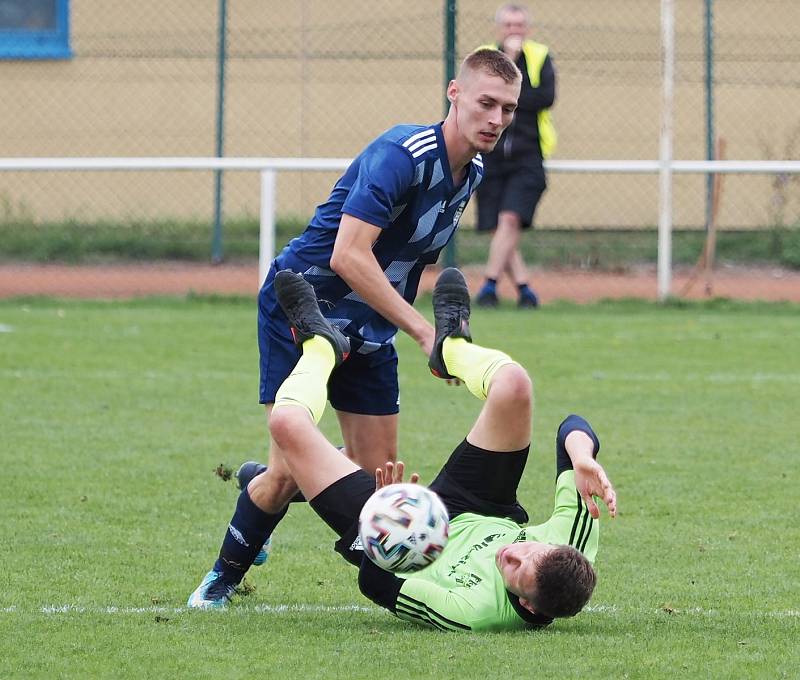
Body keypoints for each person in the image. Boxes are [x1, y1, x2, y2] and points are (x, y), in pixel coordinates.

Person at [188, 49, 523, 607]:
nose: (497, 119)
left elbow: (409, 259)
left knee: (370, 485)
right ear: (454, 93)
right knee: (287, 472)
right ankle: (219, 582)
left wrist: (433, 333)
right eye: (486, 103)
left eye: (508, 109)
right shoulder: (402, 153)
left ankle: (274, 477)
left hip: (371, 329)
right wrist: (423, 333)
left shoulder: (475, 171)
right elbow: (348, 255)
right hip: (302, 308)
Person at [212, 267, 617, 631]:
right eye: (529, 549)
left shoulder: (473, 612)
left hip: (398, 538)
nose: (512, 552)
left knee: (286, 425)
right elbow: (573, 427)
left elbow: (377, 583)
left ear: (528, 607)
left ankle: (320, 346)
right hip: (481, 502)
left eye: (515, 569)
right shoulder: (572, 545)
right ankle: (451, 346)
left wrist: (384, 512)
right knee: (514, 385)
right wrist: (583, 457)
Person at [475, 3, 557, 309]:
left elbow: (544, 97)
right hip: (489, 153)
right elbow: (479, 96)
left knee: (510, 218)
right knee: (499, 229)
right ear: (500, 28)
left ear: (528, 29)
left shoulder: (540, 56)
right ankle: (525, 290)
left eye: (519, 25)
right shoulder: (484, 54)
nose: (514, 31)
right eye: (509, 25)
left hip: (528, 154)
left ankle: (488, 285)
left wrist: (512, 65)